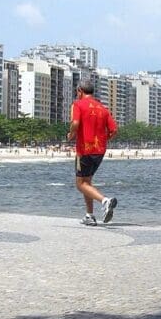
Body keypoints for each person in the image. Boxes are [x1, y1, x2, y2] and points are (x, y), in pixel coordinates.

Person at [66, 79, 118, 226]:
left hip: (84, 150)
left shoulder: (78, 104)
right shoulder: (103, 108)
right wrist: (104, 139)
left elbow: (75, 123)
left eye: (77, 92)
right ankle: (89, 215)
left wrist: (71, 135)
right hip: (99, 151)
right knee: (87, 182)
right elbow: (114, 130)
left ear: (80, 91)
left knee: (80, 184)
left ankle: (105, 201)